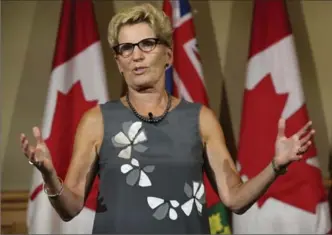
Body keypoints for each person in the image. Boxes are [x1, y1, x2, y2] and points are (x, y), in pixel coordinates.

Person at [20, 3, 315, 234]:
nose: (137, 56)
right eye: (126, 48)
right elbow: (70, 208)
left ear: (168, 55)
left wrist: (275, 166)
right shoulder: (96, 121)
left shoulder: (201, 119)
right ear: (119, 62)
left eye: (147, 44)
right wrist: (48, 174)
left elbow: (234, 198)